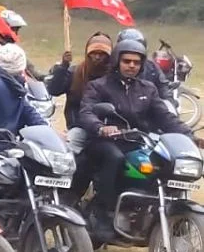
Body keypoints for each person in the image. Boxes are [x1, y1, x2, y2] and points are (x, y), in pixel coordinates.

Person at [77, 39, 193, 241]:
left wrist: (191, 136)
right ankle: (104, 212)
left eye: (136, 62)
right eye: (127, 61)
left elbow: (165, 117)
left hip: (136, 141)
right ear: (117, 61)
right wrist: (101, 128)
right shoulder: (99, 86)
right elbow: (86, 113)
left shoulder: (148, 89)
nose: (131, 65)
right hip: (103, 142)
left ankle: (155, 210)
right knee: (114, 157)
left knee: (162, 163)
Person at [47, 33, 113, 153]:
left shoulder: (114, 77)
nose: (97, 57)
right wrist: (63, 66)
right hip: (78, 126)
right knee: (68, 152)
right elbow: (54, 90)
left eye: (102, 54)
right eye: (93, 53)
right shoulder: (75, 72)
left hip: (109, 129)